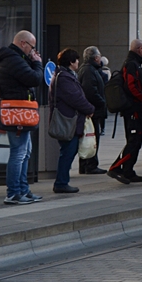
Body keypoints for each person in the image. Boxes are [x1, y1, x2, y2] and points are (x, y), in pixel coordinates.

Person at [0, 30, 44, 205]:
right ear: (23, 44)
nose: (33, 51)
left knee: (25, 151)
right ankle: (14, 192)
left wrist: (31, 60)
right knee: (19, 153)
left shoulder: (15, 59)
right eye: (32, 47)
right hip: (17, 113)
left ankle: (23, 189)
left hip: (21, 112)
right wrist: (37, 64)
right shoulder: (13, 59)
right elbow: (34, 78)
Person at [50, 49, 96, 195]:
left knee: (68, 151)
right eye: (76, 60)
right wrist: (90, 108)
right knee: (68, 152)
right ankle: (61, 183)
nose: (78, 62)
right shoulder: (64, 77)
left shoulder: (65, 75)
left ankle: (62, 181)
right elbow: (75, 98)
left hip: (70, 119)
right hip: (68, 121)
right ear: (71, 62)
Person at [107, 40, 142, 184]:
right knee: (134, 140)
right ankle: (116, 167)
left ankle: (128, 171)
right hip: (133, 109)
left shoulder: (133, 62)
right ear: (139, 49)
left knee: (135, 141)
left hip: (134, 108)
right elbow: (132, 85)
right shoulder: (132, 64)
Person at [77, 46, 108, 175]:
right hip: (93, 110)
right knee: (91, 137)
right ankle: (90, 164)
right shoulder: (89, 71)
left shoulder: (90, 69)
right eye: (99, 56)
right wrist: (103, 102)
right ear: (96, 58)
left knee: (88, 137)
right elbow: (91, 91)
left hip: (92, 109)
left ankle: (85, 164)